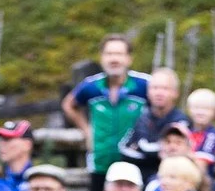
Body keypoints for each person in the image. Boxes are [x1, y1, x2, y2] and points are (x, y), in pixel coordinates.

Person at [60, 34, 152, 176]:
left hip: (135, 163)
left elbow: (164, 104)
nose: (114, 59)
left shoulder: (144, 84)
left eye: (119, 54)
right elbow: (68, 104)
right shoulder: (91, 86)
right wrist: (86, 130)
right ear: (101, 57)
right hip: (100, 161)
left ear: (129, 58)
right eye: (109, 54)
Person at [116, 67, 190, 181]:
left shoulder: (181, 121)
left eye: (165, 88)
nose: (159, 93)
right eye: (155, 88)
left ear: (175, 93)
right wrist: (157, 151)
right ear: (148, 91)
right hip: (140, 179)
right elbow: (123, 150)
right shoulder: (143, 117)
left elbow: (176, 153)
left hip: (172, 179)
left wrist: (142, 149)